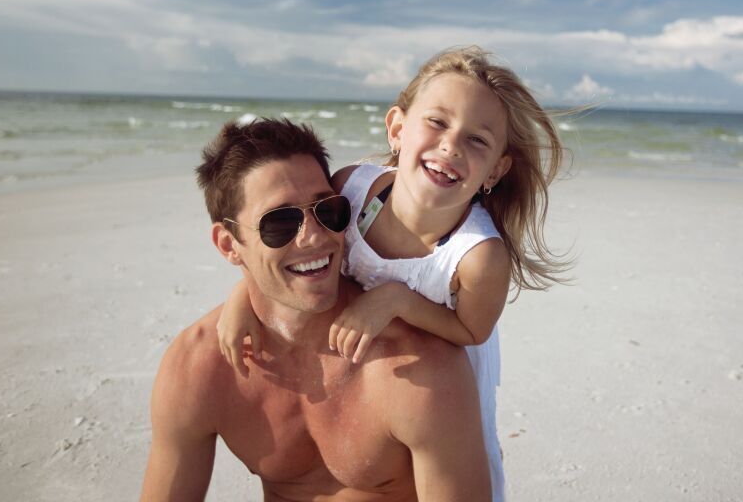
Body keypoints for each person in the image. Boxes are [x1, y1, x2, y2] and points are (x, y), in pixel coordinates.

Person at [218, 46, 570, 501]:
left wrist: (396, 299)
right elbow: (300, 258)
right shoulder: (353, 189)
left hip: (444, 380)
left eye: (477, 140)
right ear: (398, 129)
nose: (451, 146)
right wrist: (241, 296)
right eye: (437, 122)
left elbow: (472, 329)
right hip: (360, 362)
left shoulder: (478, 257)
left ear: (495, 171)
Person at [139, 117, 491, 501]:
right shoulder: (199, 365)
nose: (314, 235)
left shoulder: (419, 367)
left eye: (328, 210)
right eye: (280, 222)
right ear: (228, 245)